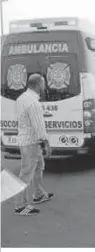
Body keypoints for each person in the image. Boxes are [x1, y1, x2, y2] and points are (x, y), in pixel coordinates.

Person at [14, 74, 54, 216]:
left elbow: (25, 117)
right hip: (31, 142)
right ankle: (20, 205)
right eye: (43, 83)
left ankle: (38, 194)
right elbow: (39, 127)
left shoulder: (22, 98)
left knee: (39, 167)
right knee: (26, 173)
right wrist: (47, 144)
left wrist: (41, 114)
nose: (44, 86)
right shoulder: (34, 103)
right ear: (38, 84)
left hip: (26, 140)